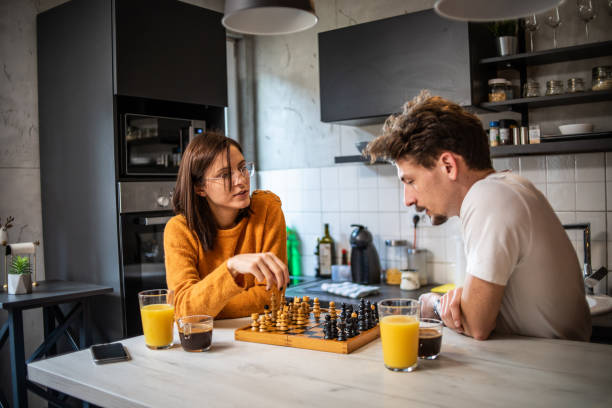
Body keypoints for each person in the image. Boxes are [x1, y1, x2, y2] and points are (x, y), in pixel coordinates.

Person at [365, 91, 591, 341]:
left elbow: (476, 324)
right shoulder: (504, 188)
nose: (408, 199)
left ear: (448, 165)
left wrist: (433, 303)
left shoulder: (489, 197)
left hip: (553, 370)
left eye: (410, 180)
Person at [165, 132, 289, 319]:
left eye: (242, 168)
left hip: (256, 337)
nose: (241, 180)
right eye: (224, 175)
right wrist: (231, 267)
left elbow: (271, 296)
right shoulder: (179, 230)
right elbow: (182, 309)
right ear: (200, 188)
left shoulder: (267, 210)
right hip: (208, 341)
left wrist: (207, 307)